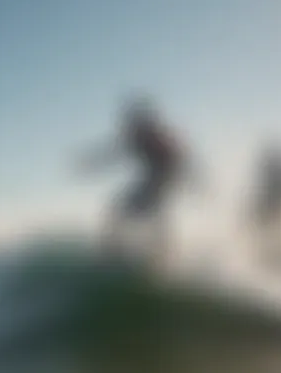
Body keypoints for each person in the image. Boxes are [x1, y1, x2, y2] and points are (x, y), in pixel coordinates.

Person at [78, 96, 196, 261]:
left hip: (164, 177)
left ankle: (160, 252)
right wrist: (91, 162)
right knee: (131, 210)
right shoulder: (137, 137)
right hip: (158, 178)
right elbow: (113, 153)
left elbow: (179, 157)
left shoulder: (153, 135)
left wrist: (192, 181)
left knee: (140, 209)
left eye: (133, 122)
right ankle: (127, 250)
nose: (129, 127)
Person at [248, 143, 281, 260]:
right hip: (274, 203)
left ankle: (272, 253)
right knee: (273, 228)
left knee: (277, 228)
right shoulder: (280, 172)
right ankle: (268, 253)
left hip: (276, 203)